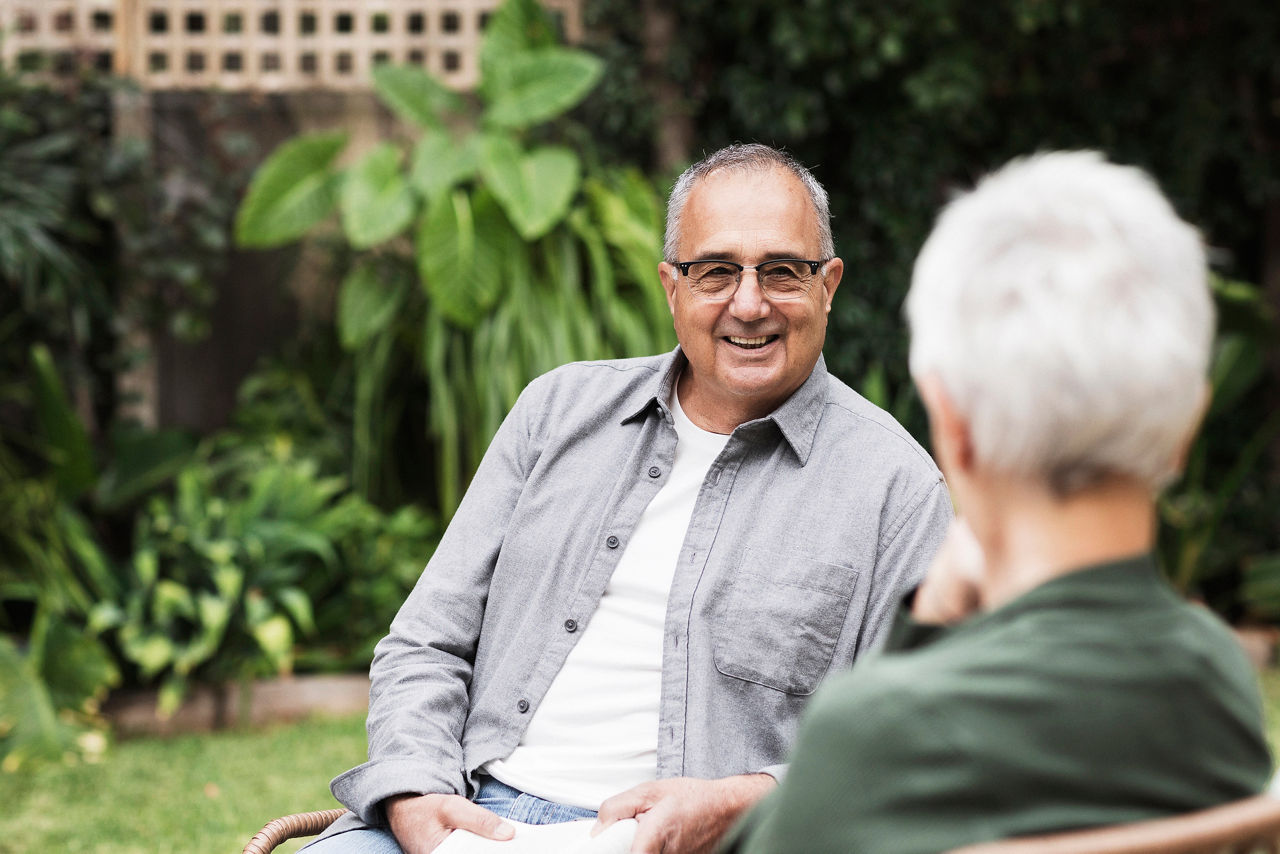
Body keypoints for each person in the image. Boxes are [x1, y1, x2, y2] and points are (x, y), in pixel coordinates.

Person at [306, 144, 952, 854]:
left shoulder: (896, 487)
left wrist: (741, 803)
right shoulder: (557, 411)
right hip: (471, 809)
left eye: (782, 271)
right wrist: (414, 791)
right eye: (715, 272)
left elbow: (913, 740)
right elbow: (425, 642)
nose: (749, 302)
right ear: (671, 286)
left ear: (828, 284)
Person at [720, 150, 1274, 854]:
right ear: (1186, 430)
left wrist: (914, 639)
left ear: (955, 430)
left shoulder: (877, 733)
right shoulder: (1217, 682)